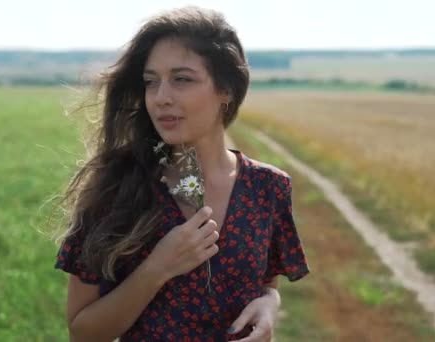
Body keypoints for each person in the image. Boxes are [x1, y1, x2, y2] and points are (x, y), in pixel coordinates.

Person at [54, 6, 309, 341]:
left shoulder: (268, 187)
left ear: (226, 90)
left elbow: (263, 285)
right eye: (151, 82)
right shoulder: (116, 187)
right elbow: (83, 333)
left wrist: (270, 303)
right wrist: (157, 268)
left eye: (182, 79)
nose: (161, 98)